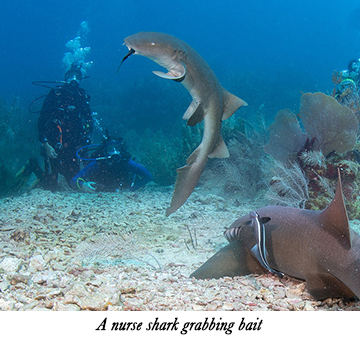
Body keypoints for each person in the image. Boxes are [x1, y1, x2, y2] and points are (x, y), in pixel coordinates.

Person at [37, 61, 94, 190]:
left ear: (81, 79)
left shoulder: (82, 97)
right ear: (66, 77)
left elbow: (89, 121)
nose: (74, 79)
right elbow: (41, 121)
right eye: (71, 75)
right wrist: (45, 144)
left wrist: (85, 141)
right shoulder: (55, 94)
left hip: (72, 145)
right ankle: (33, 166)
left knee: (73, 182)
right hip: (53, 143)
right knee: (50, 185)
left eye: (77, 76)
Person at [70, 136, 153, 192]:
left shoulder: (126, 162)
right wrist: (82, 185)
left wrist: (131, 189)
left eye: (117, 148)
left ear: (121, 149)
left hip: (122, 190)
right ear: (104, 151)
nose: (114, 152)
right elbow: (73, 180)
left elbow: (148, 176)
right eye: (110, 149)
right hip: (100, 191)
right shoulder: (98, 163)